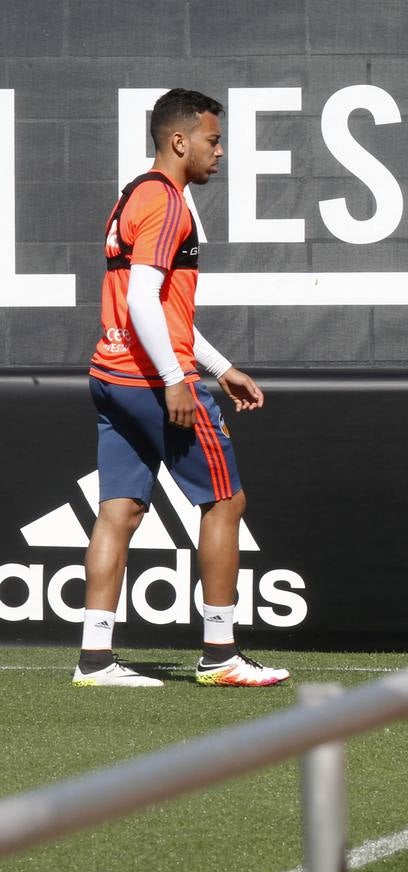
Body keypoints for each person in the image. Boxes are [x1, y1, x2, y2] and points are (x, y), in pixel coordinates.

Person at [73, 89, 289, 688]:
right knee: (225, 501)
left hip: (110, 375)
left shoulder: (134, 196)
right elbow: (144, 300)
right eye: (212, 140)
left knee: (118, 510)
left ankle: (94, 659)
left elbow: (162, 307)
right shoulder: (168, 204)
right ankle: (220, 653)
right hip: (149, 381)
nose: (219, 152)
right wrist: (178, 379)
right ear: (179, 141)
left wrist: (220, 367)